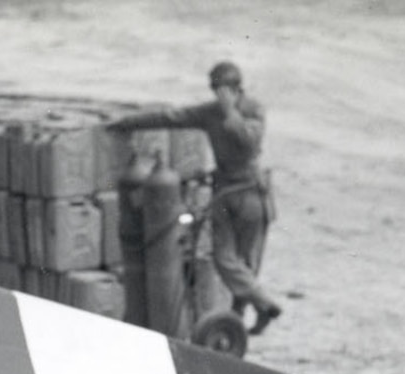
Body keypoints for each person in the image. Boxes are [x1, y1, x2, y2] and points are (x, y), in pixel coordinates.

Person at [112, 61, 283, 334]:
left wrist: (230, 113)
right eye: (215, 90)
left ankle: (241, 320)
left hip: (252, 196)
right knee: (225, 258)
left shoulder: (253, 110)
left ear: (237, 89)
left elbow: (248, 142)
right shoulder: (210, 113)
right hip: (226, 196)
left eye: (223, 90)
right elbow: (172, 117)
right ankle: (263, 304)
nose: (218, 96)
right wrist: (127, 123)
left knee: (247, 264)